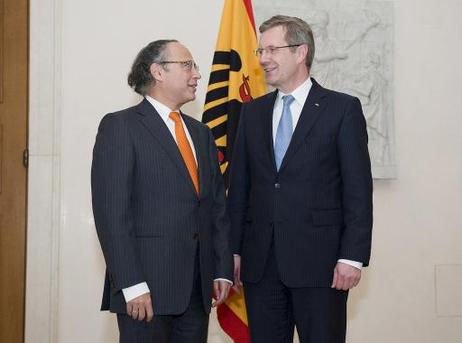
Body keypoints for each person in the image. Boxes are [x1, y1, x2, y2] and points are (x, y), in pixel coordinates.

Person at [227, 15, 373, 343]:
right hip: (260, 265)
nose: (263, 59)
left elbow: (357, 190)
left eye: (272, 49)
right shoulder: (251, 113)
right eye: (260, 51)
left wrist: (351, 256)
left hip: (322, 265)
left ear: (300, 52)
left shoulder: (342, 109)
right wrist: (232, 251)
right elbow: (238, 190)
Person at [91, 39, 233, 343]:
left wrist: (220, 270)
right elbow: (112, 214)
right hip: (146, 292)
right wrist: (131, 284)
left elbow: (215, 208)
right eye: (187, 65)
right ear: (157, 71)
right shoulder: (121, 127)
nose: (196, 74)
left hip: (197, 292)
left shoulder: (201, 133)